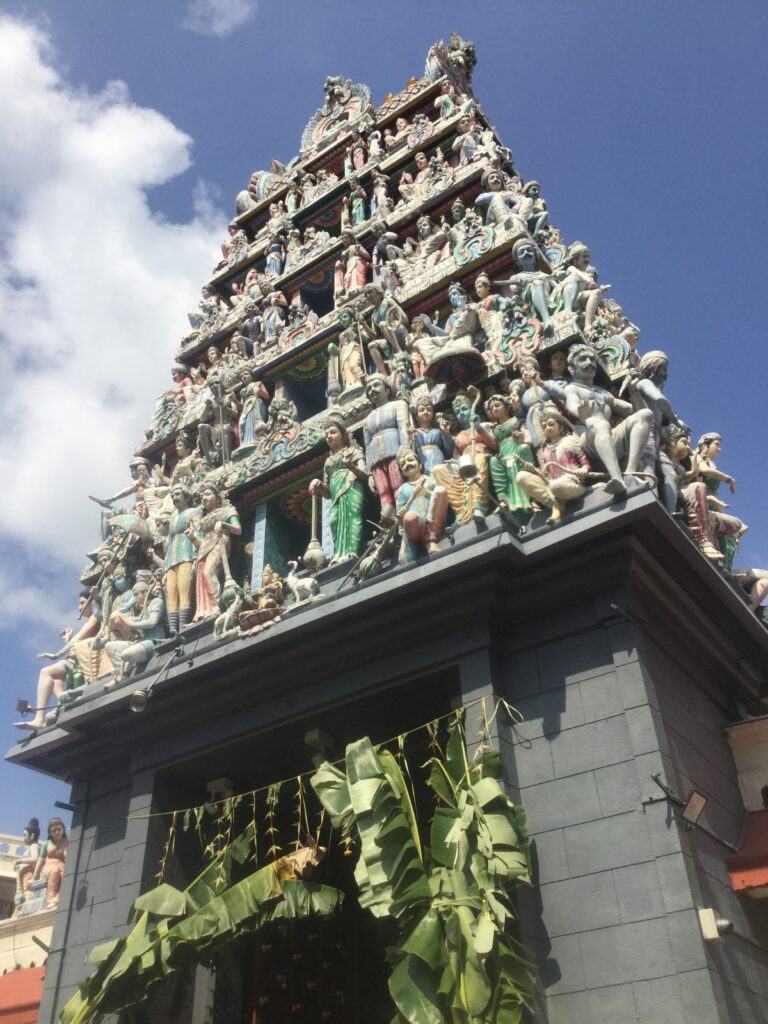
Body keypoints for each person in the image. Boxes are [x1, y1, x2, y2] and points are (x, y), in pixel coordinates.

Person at [559, 344, 653, 497]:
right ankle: (616, 478)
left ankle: (629, 472)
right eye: (582, 359)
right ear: (571, 368)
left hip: (607, 437)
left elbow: (633, 410)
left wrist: (634, 391)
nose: (589, 362)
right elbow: (571, 404)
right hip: (586, 442)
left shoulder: (603, 393)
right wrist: (580, 412)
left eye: (592, 359)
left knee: (645, 415)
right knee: (601, 424)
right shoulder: (572, 389)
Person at [14, 593, 99, 730]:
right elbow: (76, 641)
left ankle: (46, 715)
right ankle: (47, 714)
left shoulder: (96, 617)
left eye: (83, 603)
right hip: (75, 662)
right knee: (50, 676)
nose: (79, 607)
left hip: (85, 662)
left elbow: (79, 639)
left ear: (92, 602)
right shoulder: (90, 619)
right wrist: (68, 639)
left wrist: (58, 654)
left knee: (47, 672)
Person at [516, 405, 592, 524]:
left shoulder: (570, 440)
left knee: (556, 485)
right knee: (521, 476)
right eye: (544, 426)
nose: (548, 428)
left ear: (561, 427)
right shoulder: (545, 450)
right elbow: (545, 474)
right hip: (553, 486)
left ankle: (558, 505)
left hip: (571, 483)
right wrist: (532, 470)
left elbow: (584, 462)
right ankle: (556, 505)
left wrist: (584, 469)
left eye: (551, 424)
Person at [309, 417, 368, 562]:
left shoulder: (353, 451)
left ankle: (352, 551)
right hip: (336, 495)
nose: (329, 436)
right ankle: (339, 554)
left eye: (333, 432)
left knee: (353, 516)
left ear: (344, 435)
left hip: (353, 487)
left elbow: (366, 475)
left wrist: (350, 466)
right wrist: (318, 484)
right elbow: (327, 493)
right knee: (334, 520)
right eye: (326, 434)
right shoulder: (328, 462)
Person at [187, 485, 242, 620]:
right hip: (205, 548)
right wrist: (193, 538)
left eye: (207, 494)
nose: (204, 498)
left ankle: (216, 606)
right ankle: (204, 610)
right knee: (200, 578)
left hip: (220, 543)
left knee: (208, 572)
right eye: (202, 497)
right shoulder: (203, 521)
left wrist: (224, 524)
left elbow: (238, 529)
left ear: (218, 499)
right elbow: (202, 544)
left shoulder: (227, 511)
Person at [362, 374, 411, 523]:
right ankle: (390, 524)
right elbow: (367, 446)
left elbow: (404, 428)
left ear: (387, 389)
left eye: (376, 385)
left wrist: (406, 450)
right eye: (369, 388)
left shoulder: (398, 405)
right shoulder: (367, 419)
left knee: (398, 486)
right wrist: (369, 473)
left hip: (395, 453)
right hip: (376, 459)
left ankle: (405, 519)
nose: (372, 390)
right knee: (383, 492)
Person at [105, 573, 166, 684]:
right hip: (140, 642)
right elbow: (136, 620)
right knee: (110, 646)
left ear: (145, 592)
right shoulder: (143, 611)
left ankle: (126, 670)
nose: (135, 598)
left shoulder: (156, 602)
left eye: (136, 594)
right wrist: (124, 619)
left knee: (126, 654)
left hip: (153, 642)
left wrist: (131, 624)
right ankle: (121, 674)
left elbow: (152, 622)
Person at [485, 394, 536, 523]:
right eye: (492, 408)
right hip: (504, 457)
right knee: (493, 461)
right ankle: (504, 500)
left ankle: (531, 497)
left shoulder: (516, 421)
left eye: (498, 405)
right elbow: (495, 445)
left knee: (524, 449)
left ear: (507, 407)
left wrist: (522, 439)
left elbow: (530, 440)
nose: (495, 409)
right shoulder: (495, 429)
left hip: (518, 453)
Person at [395, 447, 448, 563]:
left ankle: (431, 540)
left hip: (434, 523)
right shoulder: (403, 489)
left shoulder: (430, 480)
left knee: (440, 490)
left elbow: (441, 500)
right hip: (416, 528)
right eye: (403, 464)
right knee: (410, 517)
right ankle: (424, 543)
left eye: (410, 460)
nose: (407, 464)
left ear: (420, 465)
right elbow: (399, 516)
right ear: (402, 472)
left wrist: (426, 493)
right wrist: (401, 515)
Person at [32, 818, 68, 910]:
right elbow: (40, 860)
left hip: (64, 866)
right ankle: (50, 899)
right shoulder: (47, 844)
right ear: (50, 833)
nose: (57, 832)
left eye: (59, 829)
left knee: (66, 874)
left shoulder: (68, 842)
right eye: (54, 830)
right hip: (49, 867)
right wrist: (34, 877)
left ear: (63, 829)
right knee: (55, 871)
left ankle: (58, 898)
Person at [413, 396, 454, 471]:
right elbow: (412, 453)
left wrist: (446, 434)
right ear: (416, 416)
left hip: (438, 461)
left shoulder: (438, 431)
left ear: (433, 414)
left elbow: (450, 451)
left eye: (429, 409)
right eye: (422, 410)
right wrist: (412, 439)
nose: (425, 412)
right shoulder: (414, 433)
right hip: (422, 464)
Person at [13, 818, 41, 913]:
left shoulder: (34, 846)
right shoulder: (30, 847)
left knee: (27, 896)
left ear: (32, 835)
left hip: (28, 877)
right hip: (24, 878)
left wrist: (20, 861)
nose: (23, 838)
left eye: (25, 835)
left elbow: (35, 859)